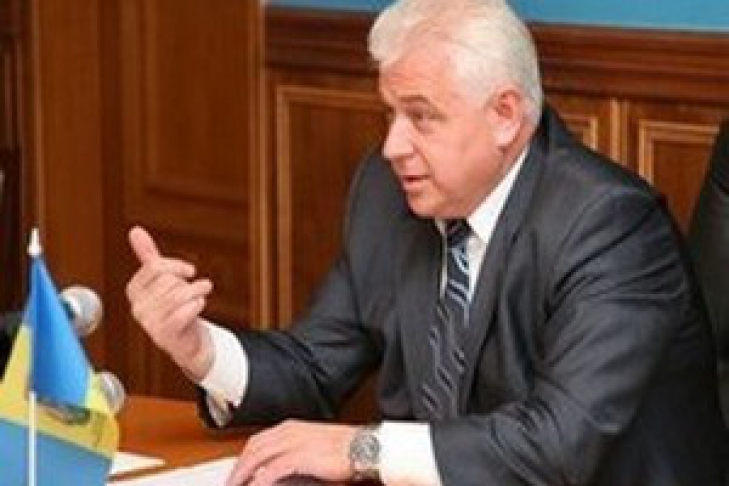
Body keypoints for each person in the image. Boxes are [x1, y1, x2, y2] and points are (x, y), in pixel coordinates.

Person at [126, 0, 729, 485]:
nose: (393, 146)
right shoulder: (387, 195)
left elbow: (556, 445)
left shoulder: (610, 226)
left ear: (505, 115)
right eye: (390, 113)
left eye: (421, 116)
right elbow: (314, 367)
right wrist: (198, 348)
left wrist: (362, 449)